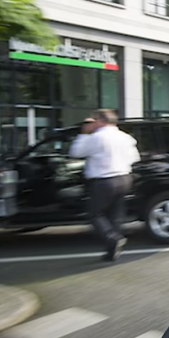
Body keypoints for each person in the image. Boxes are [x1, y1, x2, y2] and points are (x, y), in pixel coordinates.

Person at [69, 109, 140, 261]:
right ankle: (111, 251)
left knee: (95, 214)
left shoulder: (96, 137)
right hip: (124, 178)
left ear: (101, 121)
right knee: (114, 215)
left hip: (104, 181)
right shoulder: (125, 137)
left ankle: (112, 239)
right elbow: (135, 157)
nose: (93, 124)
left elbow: (76, 152)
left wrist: (84, 133)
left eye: (94, 121)